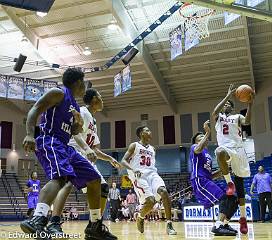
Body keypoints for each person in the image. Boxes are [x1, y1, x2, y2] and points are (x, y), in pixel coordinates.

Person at [21, 68, 116, 240]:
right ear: (79, 82)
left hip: (65, 146)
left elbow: (72, 131)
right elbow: (35, 109)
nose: (85, 86)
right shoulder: (58, 93)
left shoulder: (74, 106)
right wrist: (29, 134)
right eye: (84, 82)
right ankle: (38, 218)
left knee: (94, 179)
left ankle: (94, 225)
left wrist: (76, 127)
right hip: (50, 140)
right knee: (60, 178)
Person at [47, 88, 128, 236]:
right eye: (100, 96)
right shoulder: (83, 112)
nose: (102, 100)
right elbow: (74, 132)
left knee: (103, 188)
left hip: (85, 155)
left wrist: (110, 159)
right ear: (94, 100)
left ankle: (94, 225)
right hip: (74, 151)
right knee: (69, 183)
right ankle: (54, 220)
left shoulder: (93, 121)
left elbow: (95, 150)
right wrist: (85, 148)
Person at [212, 84, 254, 234]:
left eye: (230, 104)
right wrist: (228, 96)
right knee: (219, 152)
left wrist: (250, 103)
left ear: (233, 108)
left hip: (239, 150)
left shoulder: (237, 117)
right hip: (226, 148)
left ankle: (243, 219)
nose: (227, 106)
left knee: (241, 187)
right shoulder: (219, 117)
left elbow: (247, 122)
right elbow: (214, 111)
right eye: (225, 104)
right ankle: (229, 182)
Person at [120, 126, 177, 235]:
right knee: (150, 202)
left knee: (164, 192)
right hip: (139, 175)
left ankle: (169, 224)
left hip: (152, 174)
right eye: (147, 130)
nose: (150, 132)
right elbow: (123, 161)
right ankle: (140, 217)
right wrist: (133, 169)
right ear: (141, 133)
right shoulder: (134, 146)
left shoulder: (152, 149)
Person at [189, 120, 239, 236]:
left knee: (233, 198)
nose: (203, 138)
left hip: (206, 179)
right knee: (224, 197)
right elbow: (198, 148)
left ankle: (225, 224)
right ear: (196, 141)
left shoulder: (207, 154)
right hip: (199, 180)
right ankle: (217, 227)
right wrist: (207, 132)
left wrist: (223, 171)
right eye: (200, 137)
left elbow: (210, 174)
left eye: (204, 136)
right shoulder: (194, 147)